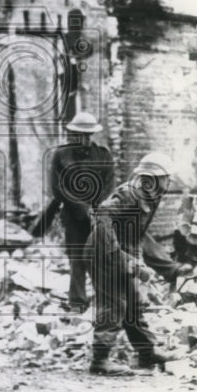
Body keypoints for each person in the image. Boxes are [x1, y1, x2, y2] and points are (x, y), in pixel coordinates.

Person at [88, 151, 193, 376]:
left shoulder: (150, 196)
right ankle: (100, 360)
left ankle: (147, 352)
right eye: (167, 177)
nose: (170, 181)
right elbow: (102, 213)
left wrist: (167, 267)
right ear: (153, 177)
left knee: (134, 303)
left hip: (122, 251)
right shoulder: (130, 193)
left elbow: (139, 236)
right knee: (114, 302)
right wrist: (117, 255)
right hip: (102, 251)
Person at [38, 112, 115, 312]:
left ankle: (105, 300)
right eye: (79, 134)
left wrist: (97, 208)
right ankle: (78, 302)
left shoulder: (103, 155)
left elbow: (109, 184)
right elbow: (58, 189)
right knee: (77, 258)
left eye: (88, 135)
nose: (84, 139)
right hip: (73, 216)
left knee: (101, 258)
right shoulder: (60, 155)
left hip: (99, 214)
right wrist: (82, 208)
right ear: (71, 134)